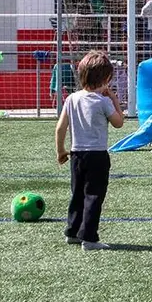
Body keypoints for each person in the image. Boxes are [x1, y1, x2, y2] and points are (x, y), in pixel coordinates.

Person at [55, 50, 124, 250]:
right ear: (105, 79)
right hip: (97, 156)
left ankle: (72, 231)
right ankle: (90, 238)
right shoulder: (102, 101)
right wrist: (114, 100)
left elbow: (60, 127)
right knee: (94, 195)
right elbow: (119, 123)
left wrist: (61, 150)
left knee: (77, 194)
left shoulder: (72, 99)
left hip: (76, 154)